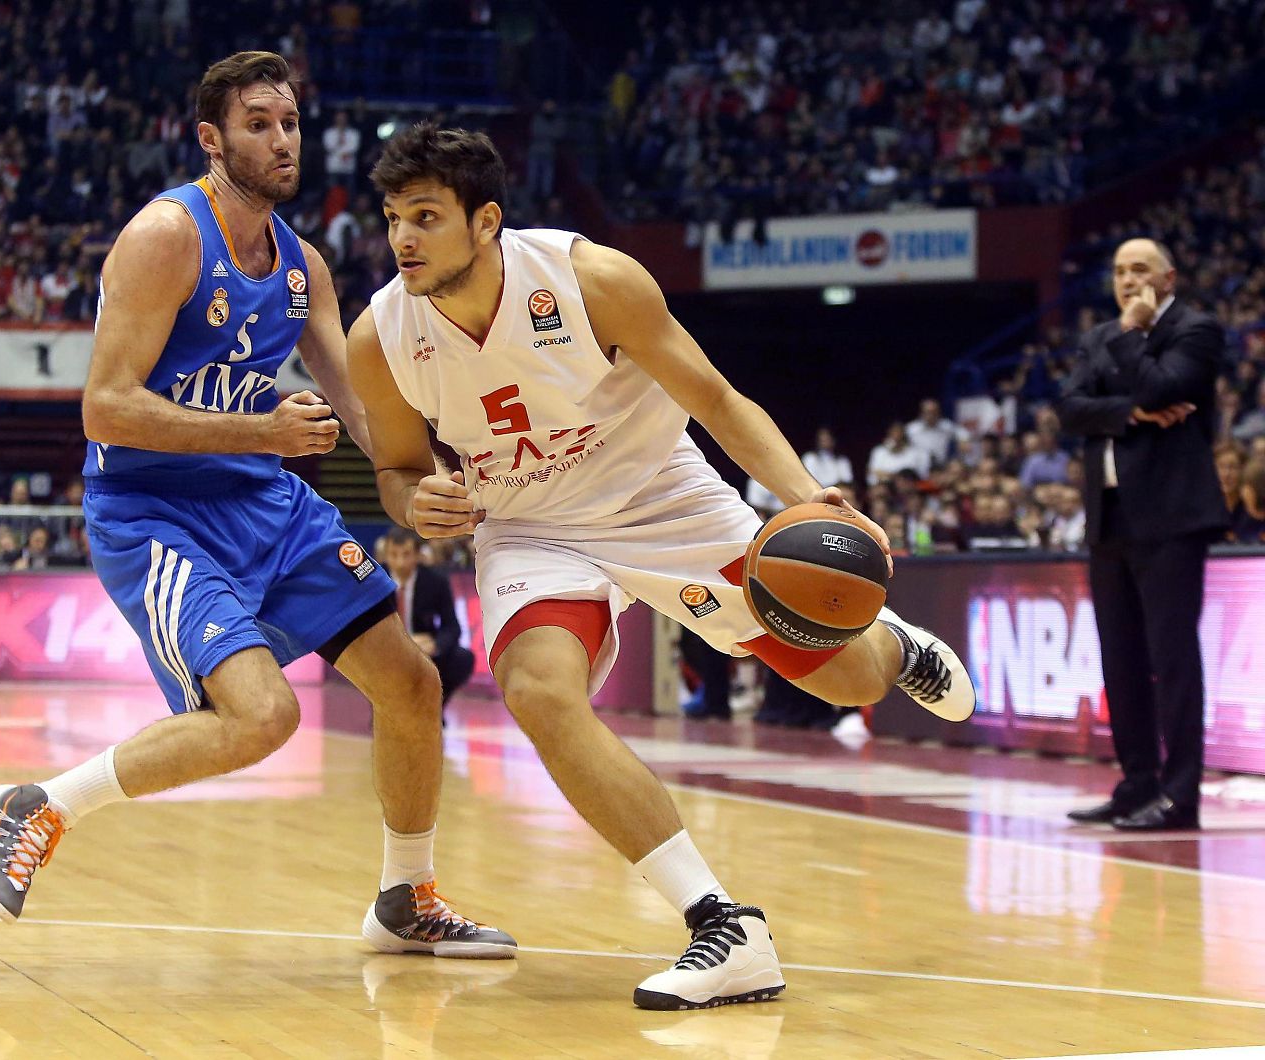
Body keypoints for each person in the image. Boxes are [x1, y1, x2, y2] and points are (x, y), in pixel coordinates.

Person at [349, 124, 973, 1010]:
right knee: (536, 691)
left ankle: (893, 645)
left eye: (424, 217)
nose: (402, 239)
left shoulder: (591, 279)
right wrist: (418, 502)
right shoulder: (380, 335)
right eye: (392, 218)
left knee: (849, 683)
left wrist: (805, 494)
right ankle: (723, 924)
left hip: (660, 497)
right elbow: (398, 467)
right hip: (529, 525)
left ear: (485, 221)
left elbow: (714, 396)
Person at [0, 53, 513, 960]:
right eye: (259, 123)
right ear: (212, 139)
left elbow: (368, 417)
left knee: (412, 685)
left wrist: (440, 480)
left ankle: (404, 900)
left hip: (262, 500)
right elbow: (105, 407)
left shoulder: (304, 268)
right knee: (264, 717)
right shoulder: (165, 237)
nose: (282, 140)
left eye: (290, 122)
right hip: (154, 511)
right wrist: (261, 431)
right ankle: (39, 805)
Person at [1058, 239, 1228, 832]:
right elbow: (1070, 408)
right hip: (1110, 519)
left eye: (1140, 271)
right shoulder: (1098, 335)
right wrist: (1131, 414)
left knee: (1173, 659)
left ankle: (1181, 796)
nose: (1128, 281)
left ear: (1167, 277)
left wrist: (1133, 337)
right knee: (1121, 659)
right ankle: (1137, 784)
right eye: (1120, 272)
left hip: (1172, 518)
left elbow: (1165, 389)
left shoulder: (1195, 329)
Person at [382, 527, 476, 710]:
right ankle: (383, 710)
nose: (400, 562)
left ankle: (433, 709)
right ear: (386, 555)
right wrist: (402, 643)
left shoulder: (435, 582)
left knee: (462, 659)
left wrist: (436, 645)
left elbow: (452, 627)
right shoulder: (374, 580)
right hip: (387, 650)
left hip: (424, 652)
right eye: (394, 555)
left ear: (418, 555)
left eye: (406, 554)